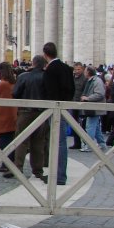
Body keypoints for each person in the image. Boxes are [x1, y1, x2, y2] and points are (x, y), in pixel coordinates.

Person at [42, 42, 74, 185]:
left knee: (57, 143)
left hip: (54, 109)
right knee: (61, 142)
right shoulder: (66, 68)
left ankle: (59, 176)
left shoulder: (50, 70)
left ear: (45, 54)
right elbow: (71, 89)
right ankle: (60, 174)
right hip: (65, 108)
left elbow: (49, 92)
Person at [12, 55, 49, 183]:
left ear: (33, 63)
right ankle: (38, 170)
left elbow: (15, 93)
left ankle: (18, 168)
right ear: (44, 64)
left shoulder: (23, 76)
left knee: (21, 141)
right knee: (39, 142)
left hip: (25, 112)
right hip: (42, 113)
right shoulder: (46, 77)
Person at [79, 65, 108, 152]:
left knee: (90, 126)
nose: (84, 73)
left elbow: (100, 94)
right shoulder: (90, 80)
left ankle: (88, 145)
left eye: (85, 71)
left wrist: (87, 98)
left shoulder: (97, 81)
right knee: (96, 128)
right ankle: (102, 144)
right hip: (91, 107)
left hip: (94, 107)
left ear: (88, 72)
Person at [70, 62, 87, 150]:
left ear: (82, 69)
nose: (76, 71)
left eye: (78, 69)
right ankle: (76, 142)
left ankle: (84, 143)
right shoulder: (72, 78)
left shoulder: (84, 79)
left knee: (81, 124)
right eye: (75, 69)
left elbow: (85, 91)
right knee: (74, 124)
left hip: (80, 104)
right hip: (73, 103)